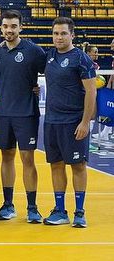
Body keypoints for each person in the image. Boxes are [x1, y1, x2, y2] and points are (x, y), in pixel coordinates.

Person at [0, 10, 47, 222]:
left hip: (27, 114)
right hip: (4, 113)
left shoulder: (34, 51)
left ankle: (32, 207)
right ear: (1, 28)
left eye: (13, 26)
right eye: (5, 26)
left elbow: (52, 72)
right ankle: (8, 204)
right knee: (6, 158)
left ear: (20, 27)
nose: (9, 30)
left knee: (27, 159)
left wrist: (35, 88)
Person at [42, 17, 97, 228]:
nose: (59, 37)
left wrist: (85, 122)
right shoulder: (49, 56)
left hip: (73, 122)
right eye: (55, 33)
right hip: (52, 122)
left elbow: (91, 91)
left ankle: (80, 211)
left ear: (72, 35)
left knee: (78, 166)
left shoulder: (81, 58)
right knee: (56, 165)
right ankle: (60, 210)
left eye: (63, 33)